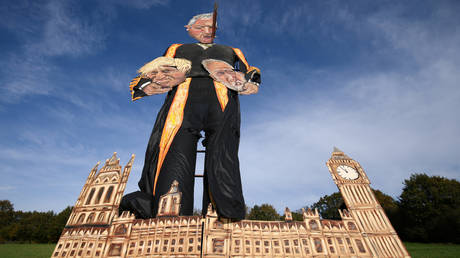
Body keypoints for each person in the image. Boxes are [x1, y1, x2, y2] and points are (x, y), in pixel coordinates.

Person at [122, 12, 260, 220]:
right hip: (183, 98)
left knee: (224, 154)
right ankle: (170, 214)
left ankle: (225, 215)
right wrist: (146, 84)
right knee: (175, 149)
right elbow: (158, 68)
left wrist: (251, 82)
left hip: (221, 96)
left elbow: (250, 71)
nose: (207, 31)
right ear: (189, 29)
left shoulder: (232, 50)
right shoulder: (176, 48)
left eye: (211, 28)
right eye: (201, 27)